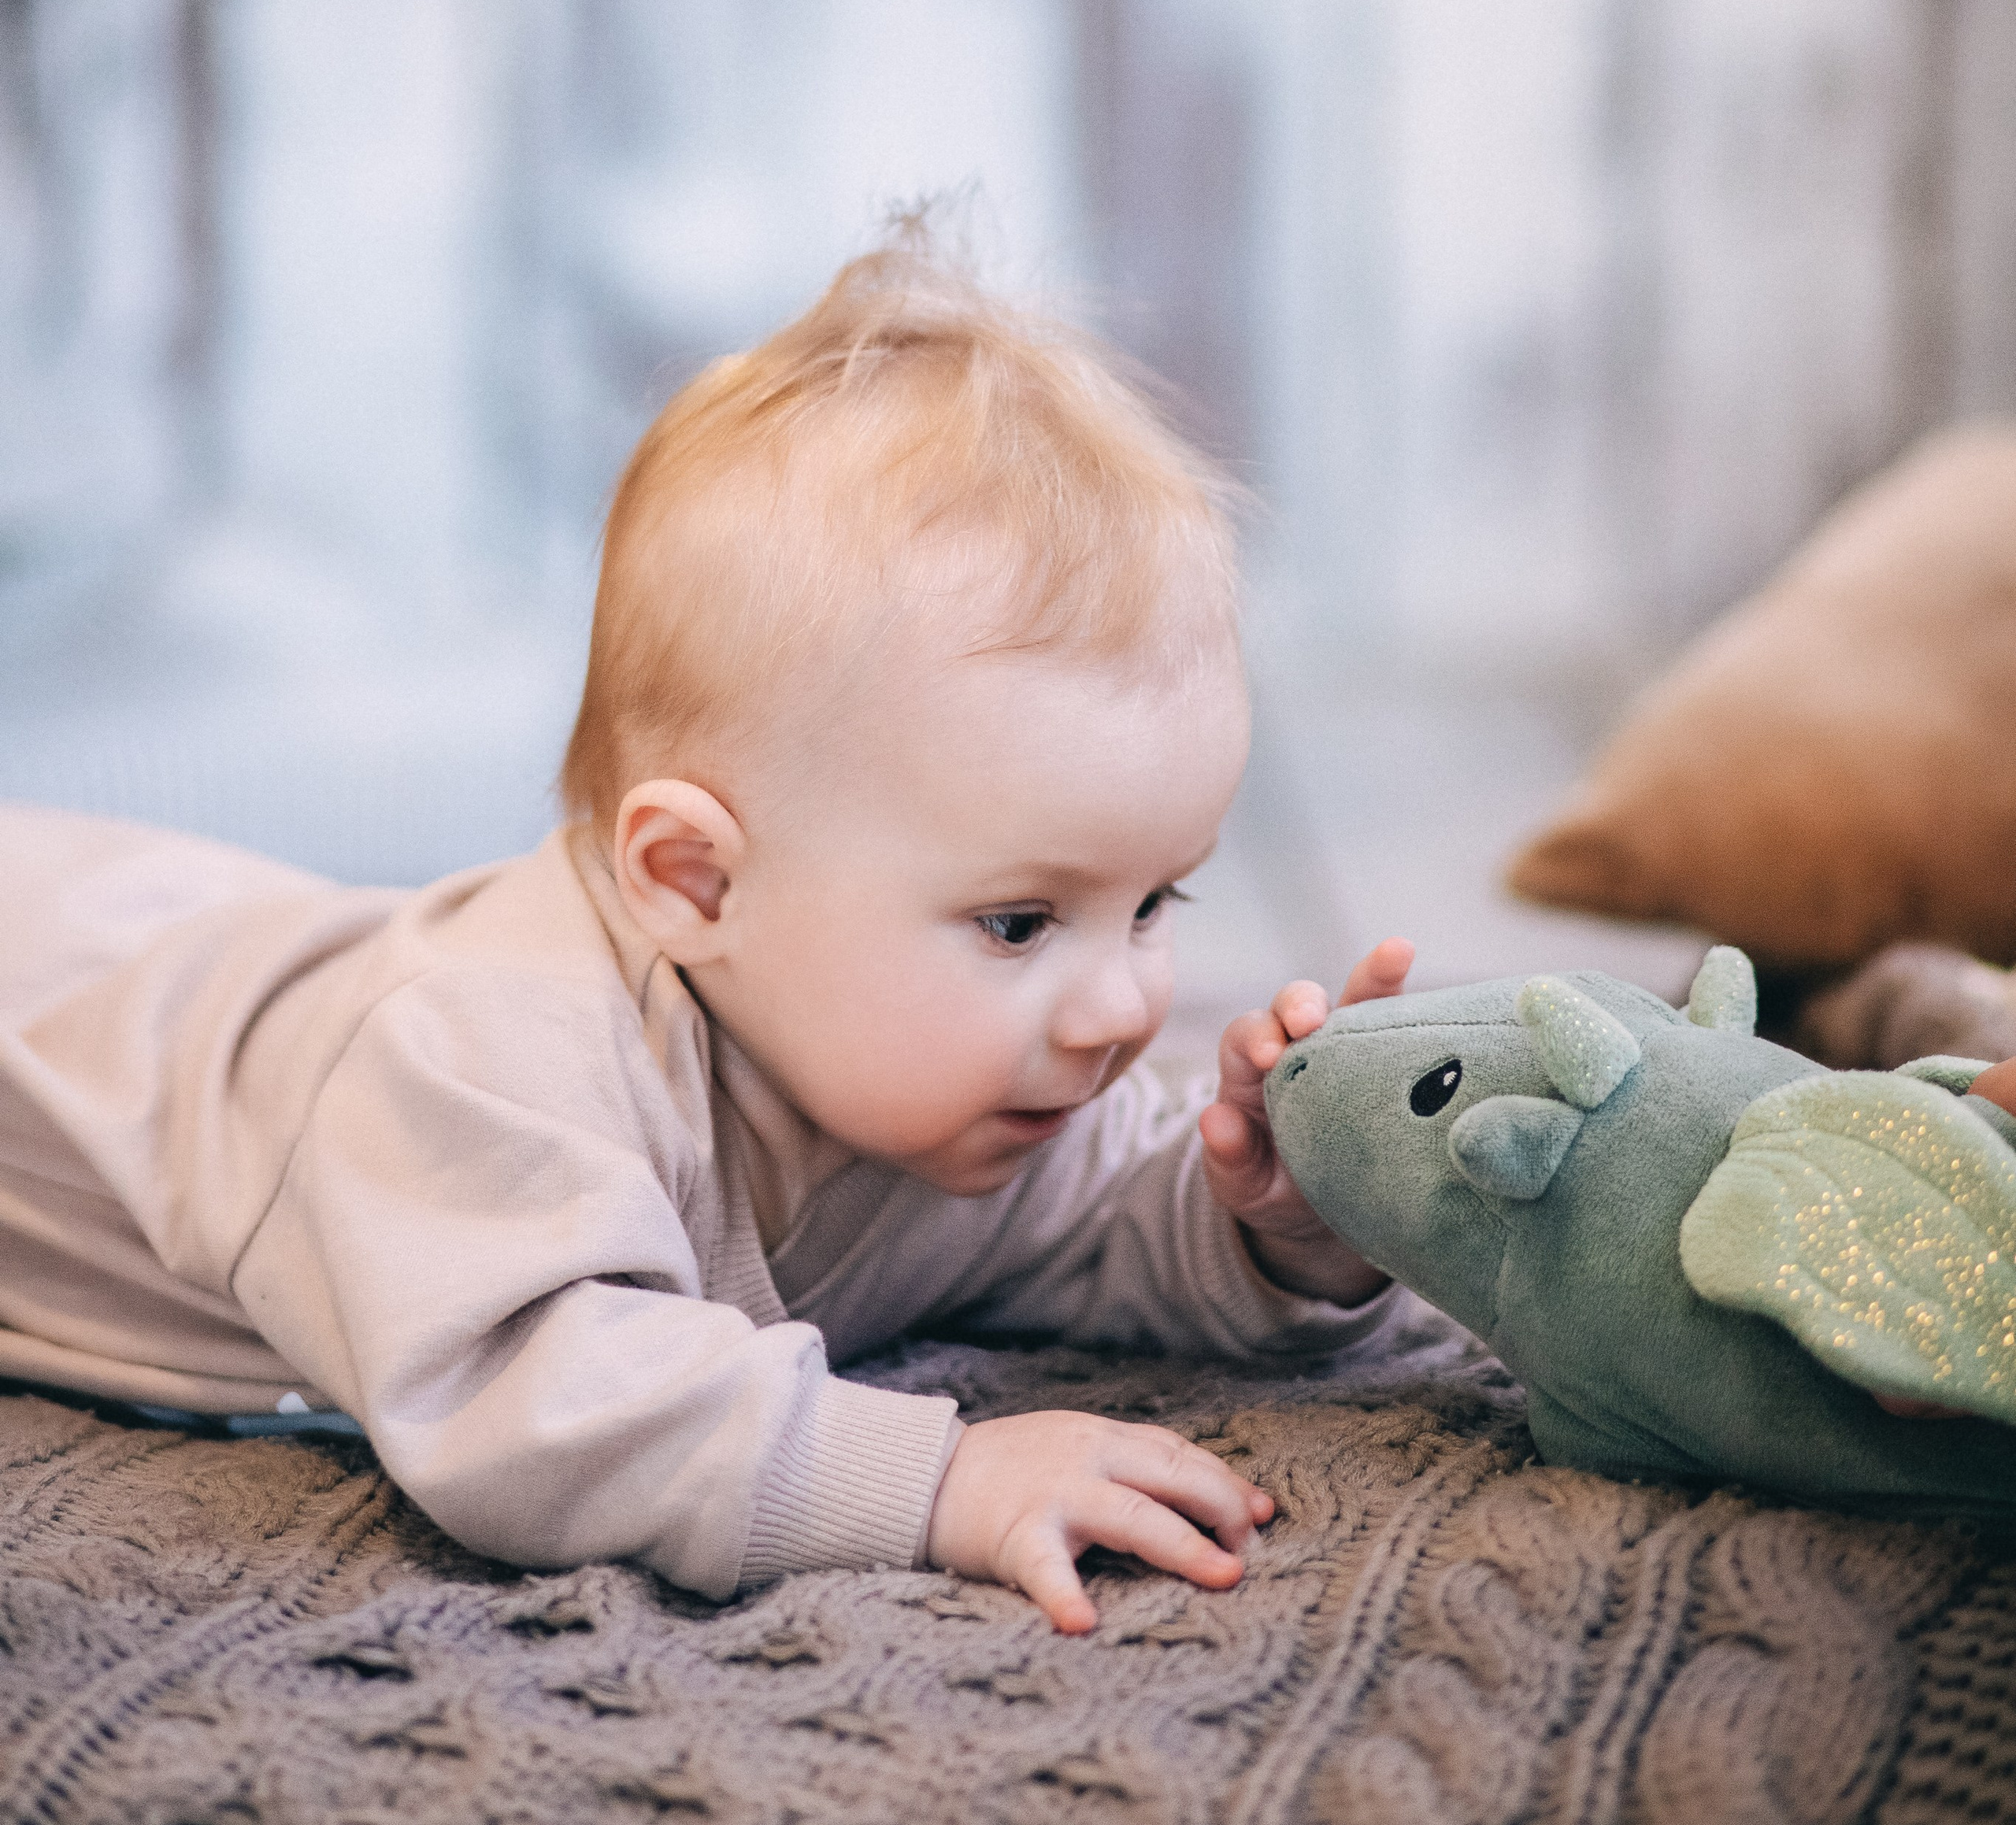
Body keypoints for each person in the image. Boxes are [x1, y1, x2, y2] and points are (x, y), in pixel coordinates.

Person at [0, 235, 1413, 1632]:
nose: (1119, 1007)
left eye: (1157, 903)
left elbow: (1111, 1230)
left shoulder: (949, 1094)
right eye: (1021, 921)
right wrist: (938, 1477)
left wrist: (1280, 1227)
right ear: (694, 882)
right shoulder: (480, 1056)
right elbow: (537, 1408)